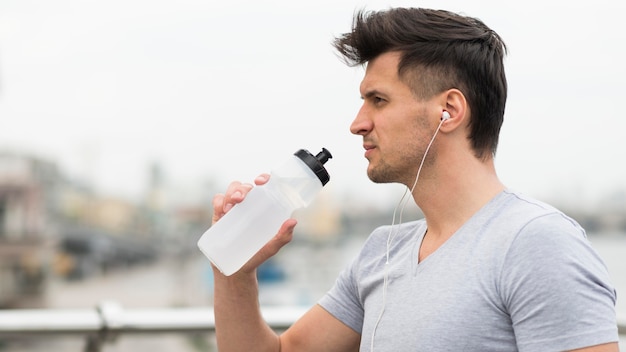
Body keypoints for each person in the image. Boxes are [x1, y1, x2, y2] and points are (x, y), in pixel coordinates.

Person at [209, 7, 619, 352]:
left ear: (449, 110)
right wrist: (234, 273)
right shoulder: (380, 253)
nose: (357, 124)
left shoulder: (535, 244)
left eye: (379, 100)